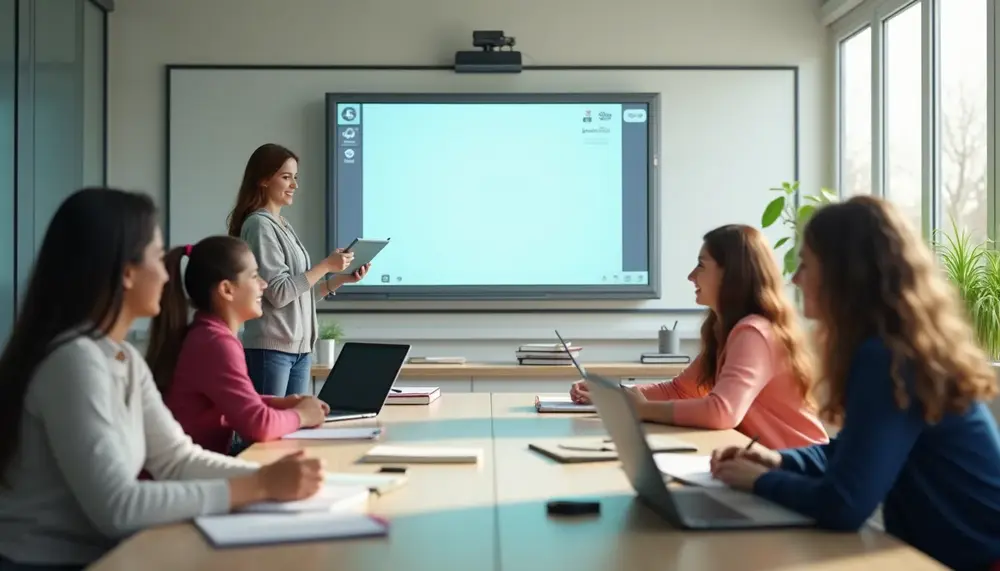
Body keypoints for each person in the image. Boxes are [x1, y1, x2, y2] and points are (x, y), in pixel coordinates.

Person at [0, 188, 325, 570]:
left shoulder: (121, 358)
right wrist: (260, 486)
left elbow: (176, 459)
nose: (166, 271)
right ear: (126, 273)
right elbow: (118, 508)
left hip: (111, 554)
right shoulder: (72, 362)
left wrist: (275, 478)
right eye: (156, 256)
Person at [711, 196, 1000, 571]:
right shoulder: (895, 349)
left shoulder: (887, 358)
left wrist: (761, 481)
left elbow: (843, 505)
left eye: (806, 264)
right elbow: (852, 449)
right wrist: (780, 459)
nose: (795, 279)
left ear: (845, 275)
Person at [570, 224, 828, 450]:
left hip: (802, 473)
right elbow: (680, 390)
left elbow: (722, 412)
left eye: (701, 265)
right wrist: (612, 395)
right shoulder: (727, 330)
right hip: (767, 466)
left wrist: (642, 409)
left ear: (731, 274)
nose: (691, 276)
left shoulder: (754, 332)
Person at [145, 236, 331, 456]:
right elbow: (258, 425)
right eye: (254, 276)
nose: (264, 284)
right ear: (226, 290)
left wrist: (281, 403)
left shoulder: (208, 334)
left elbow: (238, 401)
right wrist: (303, 416)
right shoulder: (215, 343)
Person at [227, 143, 370, 398]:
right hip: (271, 352)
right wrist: (325, 265)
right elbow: (279, 293)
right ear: (262, 180)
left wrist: (339, 279)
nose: (294, 185)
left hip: (300, 353)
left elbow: (298, 293)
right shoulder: (260, 225)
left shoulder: (283, 224)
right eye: (286, 177)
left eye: (295, 177)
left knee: (294, 434)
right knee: (270, 435)